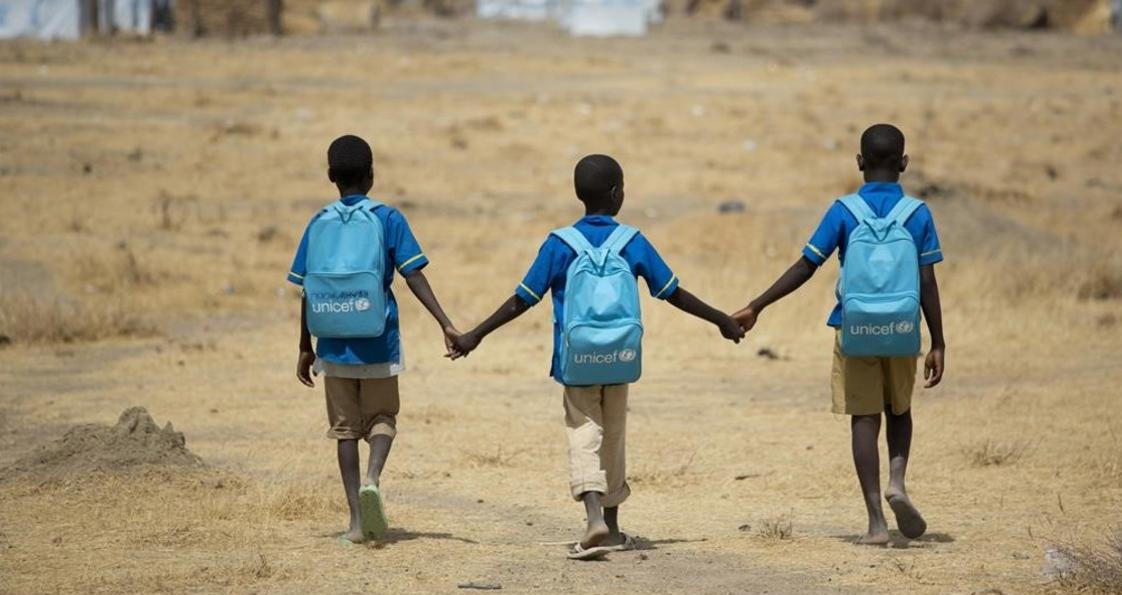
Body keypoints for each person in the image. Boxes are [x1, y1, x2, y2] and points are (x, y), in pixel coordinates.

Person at [448, 154, 745, 558]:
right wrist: (720, 320)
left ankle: (593, 521)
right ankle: (614, 527)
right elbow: (673, 292)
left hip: (576, 361)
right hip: (621, 356)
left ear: (578, 195)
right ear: (617, 193)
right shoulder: (632, 241)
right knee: (615, 436)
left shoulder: (559, 244)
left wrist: (475, 335)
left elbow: (523, 299)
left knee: (583, 433)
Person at [732, 124, 946, 545]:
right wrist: (938, 341)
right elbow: (928, 280)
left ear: (860, 163)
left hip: (855, 329)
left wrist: (757, 305)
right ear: (904, 164)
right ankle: (897, 482)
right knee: (899, 410)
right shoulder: (918, 214)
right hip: (903, 329)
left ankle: (876, 523)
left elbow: (805, 266)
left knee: (864, 418)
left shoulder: (844, 212)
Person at [288, 135, 460, 544]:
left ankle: (354, 521)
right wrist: (445, 322)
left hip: (331, 340)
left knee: (344, 431)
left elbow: (307, 288)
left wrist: (304, 345)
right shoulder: (388, 218)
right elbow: (413, 273)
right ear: (371, 174)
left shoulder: (318, 222)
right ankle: (373, 478)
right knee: (383, 417)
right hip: (379, 339)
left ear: (331, 176)